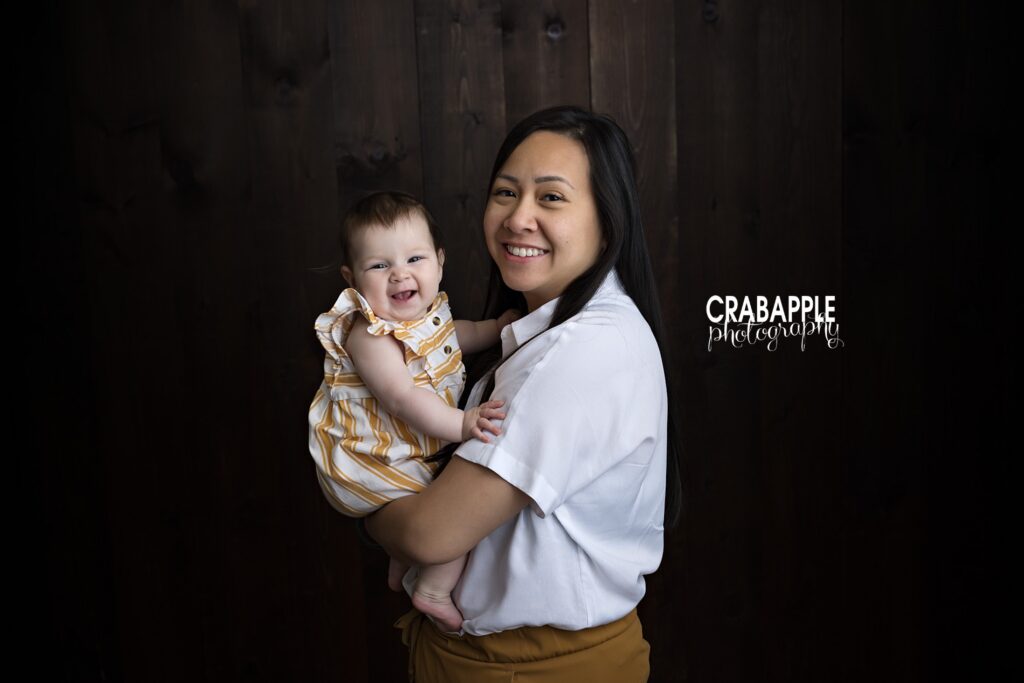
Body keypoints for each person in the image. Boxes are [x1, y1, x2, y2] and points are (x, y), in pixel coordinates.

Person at [365, 106, 682, 682]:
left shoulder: (583, 350)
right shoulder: (540, 334)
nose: (519, 218)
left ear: (608, 221)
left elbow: (430, 533)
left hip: (542, 670)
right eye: (506, 193)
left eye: (552, 198)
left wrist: (364, 502)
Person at [308, 191, 519, 633]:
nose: (399, 274)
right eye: (379, 265)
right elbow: (402, 397)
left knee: (439, 496)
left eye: (415, 258)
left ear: (439, 263)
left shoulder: (427, 316)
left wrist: (495, 330)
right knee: (453, 513)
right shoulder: (369, 336)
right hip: (373, 458)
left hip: (402, 450)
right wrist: (462, 423)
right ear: (352, 279)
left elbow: (451, 337)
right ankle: (433, 590)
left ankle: (400, 564)